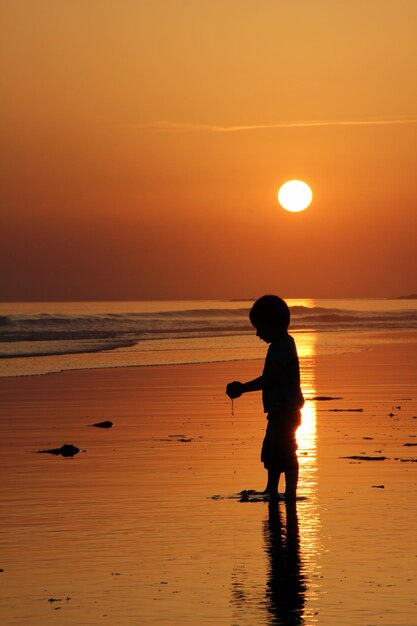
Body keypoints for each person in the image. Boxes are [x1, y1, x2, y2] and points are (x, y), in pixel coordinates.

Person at [226, 295, 304, 499]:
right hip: (279, 410)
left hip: (286, 411)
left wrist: (243, 388)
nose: (258, 334)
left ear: (273, 324)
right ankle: (271, 488)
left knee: (285, 451)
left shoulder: (283, 347)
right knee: (272, 451)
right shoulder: (279, 345)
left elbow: (270, 378)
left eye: (259, 328)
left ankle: (289, 493)